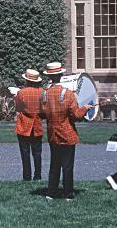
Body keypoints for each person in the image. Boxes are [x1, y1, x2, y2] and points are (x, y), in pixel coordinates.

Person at [39, 62, 93, 200]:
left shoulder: (44, 94)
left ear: (50, 77)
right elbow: (76, 115)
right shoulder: (67, 94)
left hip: (53, 133)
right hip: (67, 134)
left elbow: (42, 114)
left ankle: (51, 192)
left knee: (54, 165)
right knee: (67, 166)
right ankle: (68, 193)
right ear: (61, 76)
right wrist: (86, 107)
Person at [14, 69, 44, 181]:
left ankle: (27, 177)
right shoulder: (42, 92)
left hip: (24, 125)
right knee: (37, 153)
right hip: (37, 124)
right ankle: (38, 175)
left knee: (25, 153)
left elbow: (18, 108)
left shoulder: (21, 93)